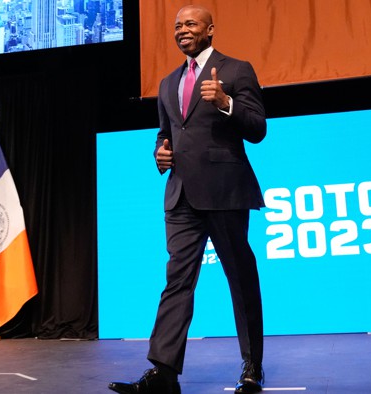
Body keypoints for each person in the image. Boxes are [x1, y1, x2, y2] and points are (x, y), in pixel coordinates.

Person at [108, 5, 267, 394]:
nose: (182, 30)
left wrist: (225, 103)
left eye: (190, 24)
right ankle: (163, 371)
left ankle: (252, 368)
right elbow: (166, 134)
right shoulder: (166, 83)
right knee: (176, 281)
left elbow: (258, 129)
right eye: (177, 25)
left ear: (210, 29)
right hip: (180, 195)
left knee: (239, 279)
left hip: (224, 191)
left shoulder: (236, 70)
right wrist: (160, 153)